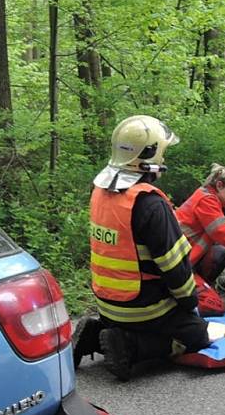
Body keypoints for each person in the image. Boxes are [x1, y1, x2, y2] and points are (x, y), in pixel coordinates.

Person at [74, 115, 209, 381]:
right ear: (150, 155)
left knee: (140, 319)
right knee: (197, 334)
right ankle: (130, 347)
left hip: (107, 305)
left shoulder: (99, 192)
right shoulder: (150, 204)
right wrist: (190, 304)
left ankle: (96, 334)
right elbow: (175, 267)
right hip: (145, 309)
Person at [175, 164, 225, 300]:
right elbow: (224, 233)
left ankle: (204, 286)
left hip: (184, 258)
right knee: (220, 254)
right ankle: (202, 287)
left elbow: (224, 230)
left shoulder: (205, 197)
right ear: (220, 185)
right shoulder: (206, 200)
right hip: (181, 262)